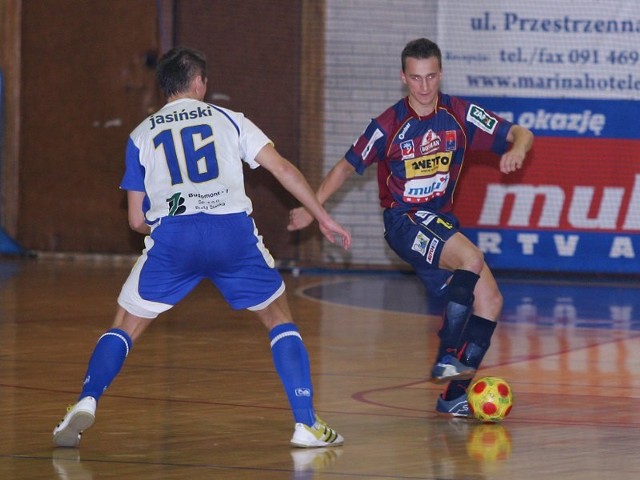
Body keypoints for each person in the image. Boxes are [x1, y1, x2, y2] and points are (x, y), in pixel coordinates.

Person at [53, 46, 351, 449]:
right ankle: (306, 423)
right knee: (279, 317)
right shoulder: (230, 119)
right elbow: (281, 169)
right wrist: (323, 216)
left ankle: (86, 400)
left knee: (125, 323)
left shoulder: (141, 135)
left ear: (164, 88)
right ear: (200, 83)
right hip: (232, 233)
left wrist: (173, 225)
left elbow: (136, 221)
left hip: (175, 235)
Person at [288, 38, 533, 418]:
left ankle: (453, 395)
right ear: (404, 78)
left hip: (440, 222)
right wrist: (312, 209)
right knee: (471, 258)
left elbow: (521, 132)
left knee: (491, 300)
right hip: (403, 220)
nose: (424, 87)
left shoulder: (459, 113)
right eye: (416, 78)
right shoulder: (388, 124)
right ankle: (447, 354)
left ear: (440, 74)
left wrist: (516, 148)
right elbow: (344, 167)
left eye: (431, 76)